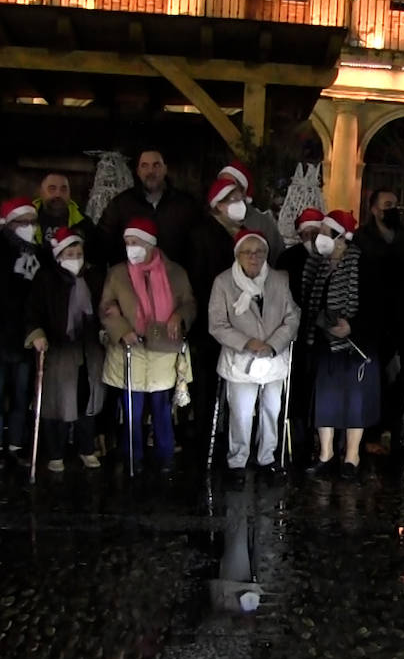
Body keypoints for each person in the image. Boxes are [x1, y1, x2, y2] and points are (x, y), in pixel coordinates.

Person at [187, 175, 286, 454]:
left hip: (249, 327)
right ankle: (209, 443)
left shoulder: (247, 233)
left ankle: (254, 450)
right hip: (214, 323)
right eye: (231, 200)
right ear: (217, 205)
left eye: (240, 198)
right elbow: (200, 280)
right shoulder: (202, 234)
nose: (238, 204)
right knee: (209, 391)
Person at [99, 218, 195, 474]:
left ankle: (165, 455)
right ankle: (133, 456)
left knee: (162, 408)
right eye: (128, 243)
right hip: (130, 350)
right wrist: (122, 330)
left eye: (136, 242)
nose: (131, 248)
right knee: (132, 408)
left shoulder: (175, 272)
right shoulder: (117, 273)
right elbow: (107, 308)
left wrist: (179, 316)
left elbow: (189, 302)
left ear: (150, 244)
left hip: (163, 349)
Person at [208, 230, 299, 481]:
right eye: (247, 252)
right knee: (241, 413)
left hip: (273, 357)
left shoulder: (279, 280)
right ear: (238, 255)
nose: (254, 257)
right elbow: (217, 324)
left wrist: (273, 344)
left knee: (272, 410)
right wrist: (248, 343)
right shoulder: (224, 282)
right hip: (240, 359)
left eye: (259, 252)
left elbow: (292, 316)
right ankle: (237, 461)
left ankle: (266, 459)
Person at [300, 210, 380, 480]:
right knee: (325, 399)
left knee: (354, 402)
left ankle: (352, 456)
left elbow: (375, 303)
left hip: (355, 346)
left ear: (340, 237)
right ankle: (325, 454)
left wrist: (353, 327)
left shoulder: (362, 263)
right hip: (325, 343)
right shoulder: (318, 264)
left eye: (325, 232)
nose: (319, 237)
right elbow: (308, 299)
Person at [25, 228, 106, 472]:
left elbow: (104, 307)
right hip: (59, 350)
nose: (75, 258)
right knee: (57, 403)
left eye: (78, 253)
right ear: (59, 255)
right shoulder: (45, 278)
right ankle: (56, 453)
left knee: (87, 401)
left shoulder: (94, 278)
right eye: (69, 253)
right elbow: (31, 311)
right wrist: (36, 334)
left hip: (89, 350)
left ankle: (86, 449)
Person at [352, 189, 404, 457]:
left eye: (394, 204)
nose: (391, 209)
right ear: (373, 209)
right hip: (372, 320)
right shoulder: (361, 238)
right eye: (386, 205)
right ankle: (371, 433)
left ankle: (396, 432)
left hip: (403, 320)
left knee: (401, 380)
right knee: (374, 378)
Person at [0, 197, 41, 469]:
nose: (29, 227)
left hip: (25, 335)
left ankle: (16, 445)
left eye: (33, 222)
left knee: (21, 394)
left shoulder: (37, 253)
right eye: (23, 222)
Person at [274, 207, 324, 468]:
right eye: (308, 231)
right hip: (293, 334)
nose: (312, 235)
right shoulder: (288, 258)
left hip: (320, 336)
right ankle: (297, 441)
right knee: (295, 393)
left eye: (316, 230)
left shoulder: (328, 257)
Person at [98, 148, 203, 267]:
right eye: (144, 166)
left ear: (165, 169)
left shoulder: (186, 205)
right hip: (130, 281)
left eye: (156, 165)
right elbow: (102, 245)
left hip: (173, 279)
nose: (150, 171)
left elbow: (198, 250)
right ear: (138, 171)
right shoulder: (120, 204)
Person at [34, 172, 104, 265]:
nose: (58, 194)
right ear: (41, 192)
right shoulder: (26, 219)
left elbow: (95, 259)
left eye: (64, 189)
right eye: (52, 189)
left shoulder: (83, 223)